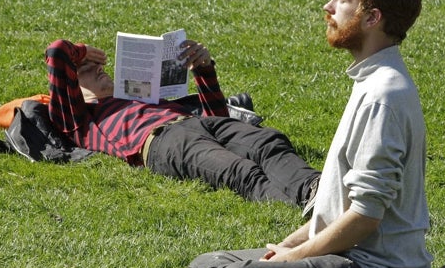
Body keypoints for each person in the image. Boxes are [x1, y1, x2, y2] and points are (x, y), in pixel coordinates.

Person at [109, 0, 433, 268]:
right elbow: (334, 211)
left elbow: (365, 217)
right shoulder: (372, 82)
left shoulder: (384, 96)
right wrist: (284, 247)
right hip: (344, 254)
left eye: (342, 0)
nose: (328, 8)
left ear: (372, 18)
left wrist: (291, 258)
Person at [45, 38, 320, 207]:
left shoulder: (139, 98)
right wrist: (81, 52)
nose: (98, 68)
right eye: (84, 69)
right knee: (238, 171)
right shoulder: (81, 120)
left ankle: (315, 190)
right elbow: (57, 52)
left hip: (197, 121)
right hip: (162, 140)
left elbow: (219, 119)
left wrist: (203, 70)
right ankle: (314, 216)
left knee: (267, 141)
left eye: (98, 66)